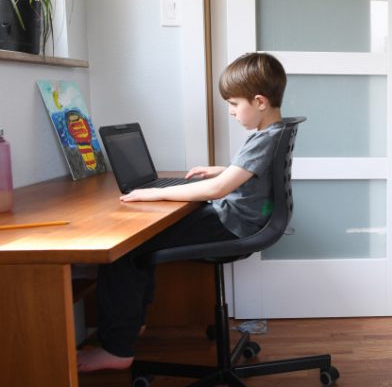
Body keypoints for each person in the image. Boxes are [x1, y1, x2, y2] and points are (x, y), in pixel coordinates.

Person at [77, 52, 288, 372]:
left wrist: (155, 192)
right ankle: (130, 327)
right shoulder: (273, 131)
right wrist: (220, 169)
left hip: (235, 224)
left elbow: (217, 192)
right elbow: (253, 173)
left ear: (259, 101)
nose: (231, 112)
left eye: (233, 104)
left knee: (125, 248)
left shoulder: (262, 139)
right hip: (242, 217)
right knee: (139, 241)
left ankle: (118, 349)